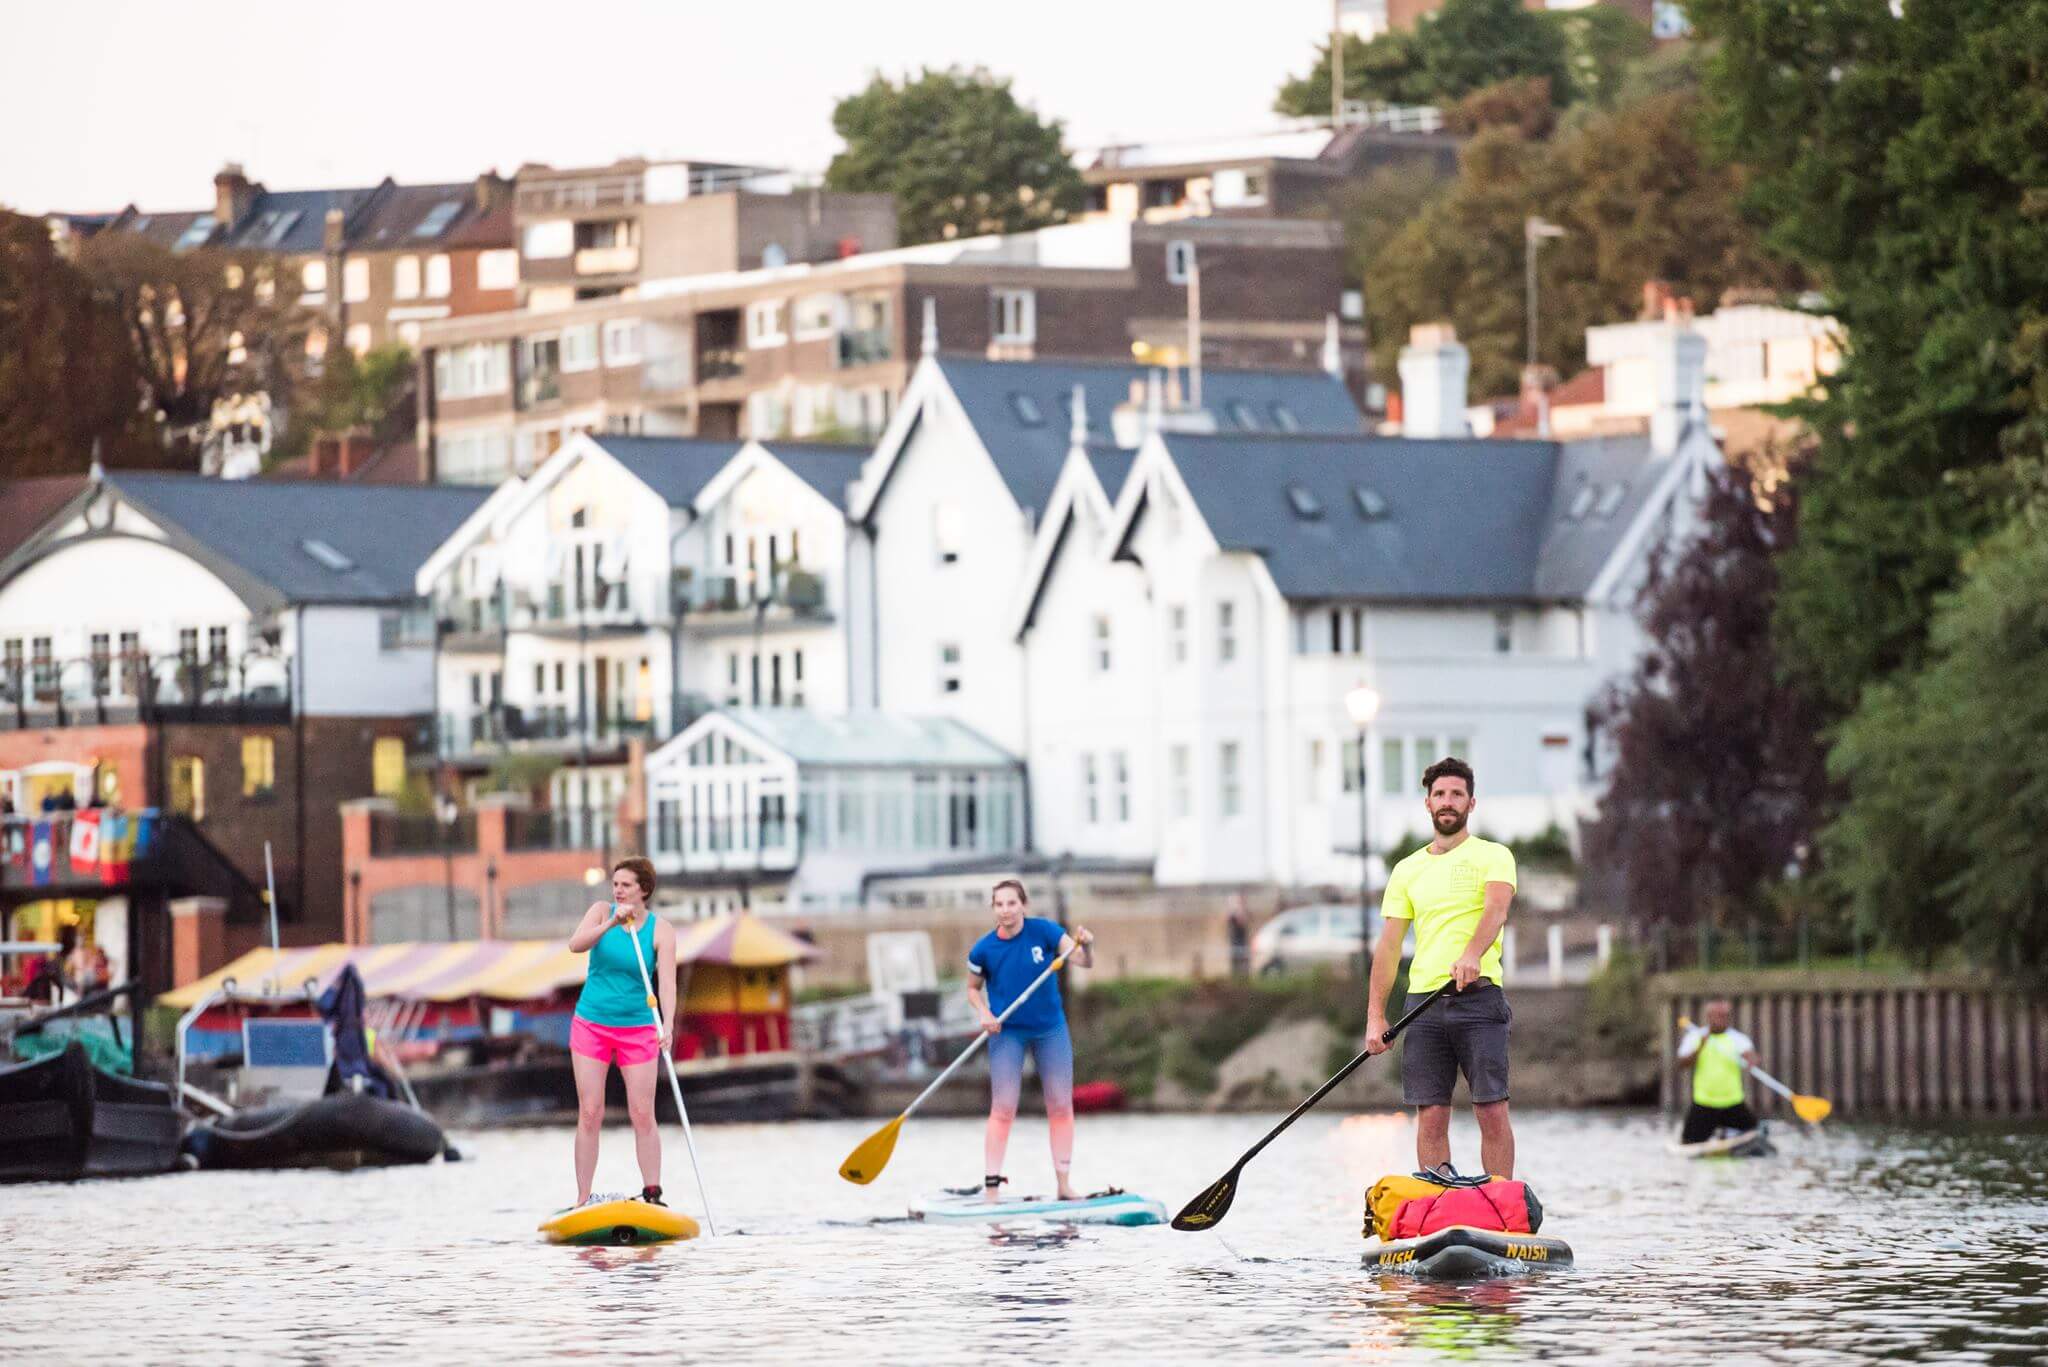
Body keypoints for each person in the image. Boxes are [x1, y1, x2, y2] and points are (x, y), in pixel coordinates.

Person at [1363, 756, 1519, 1178]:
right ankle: (1438, 1202)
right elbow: (1390, 946)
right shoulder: (1407, 870)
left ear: (1471, 804)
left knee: (1491, 1110)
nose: (1447, 801)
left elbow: (1495, 911)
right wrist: (1376, 1016)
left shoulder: (1494, 856)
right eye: (1439, 794)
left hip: (1479, 999)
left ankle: (1500, 1205)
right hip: (1424, 1006)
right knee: (1431, 1115)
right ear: (1428, 804)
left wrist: (1471, 954)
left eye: (1457, 794)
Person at [966, 878, 1094, 1202]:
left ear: (1023, 905)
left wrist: (1085, 944)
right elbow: (971, 988)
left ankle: (1064, 1185)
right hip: (1007, 1031)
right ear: (993, 908)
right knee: (1003, 1108)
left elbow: (1082, 960)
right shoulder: (983, 949)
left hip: (1050, 1028)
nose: (1006, 910)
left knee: (1061, 1106)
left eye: (1012, 903)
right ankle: (992, 1189)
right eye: (999, 904)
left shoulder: (1046, 931)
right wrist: (983, 1012)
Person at [565, 857, 677, 1208]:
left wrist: (668, 1024)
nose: (618, 890)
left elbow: (668, 985)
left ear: (643, 890)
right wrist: (612, 922)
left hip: (638, 1027)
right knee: (590, 1110)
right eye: (615, 884)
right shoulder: (601, 911)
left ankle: (653, 1193)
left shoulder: (661, 930)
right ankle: (584, 1197)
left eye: (626, 885)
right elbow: (576, 944)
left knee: (643, 1112)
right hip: (592, 1023)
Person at [1677, 1000, 1763, 1142]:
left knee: (1755, 1134)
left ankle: (1729, 1135)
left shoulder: (1737, 1038)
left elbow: (1749, 1054)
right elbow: (1682, 1064)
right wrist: (1700, 1048)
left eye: (1726, 1015)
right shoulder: (1695, 1037)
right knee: (1687, 1141)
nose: (1723, 1019)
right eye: (1718, 1016)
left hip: (1732, 1103)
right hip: (1704, 1103)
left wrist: (1751, 1059)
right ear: (1709, 1017)